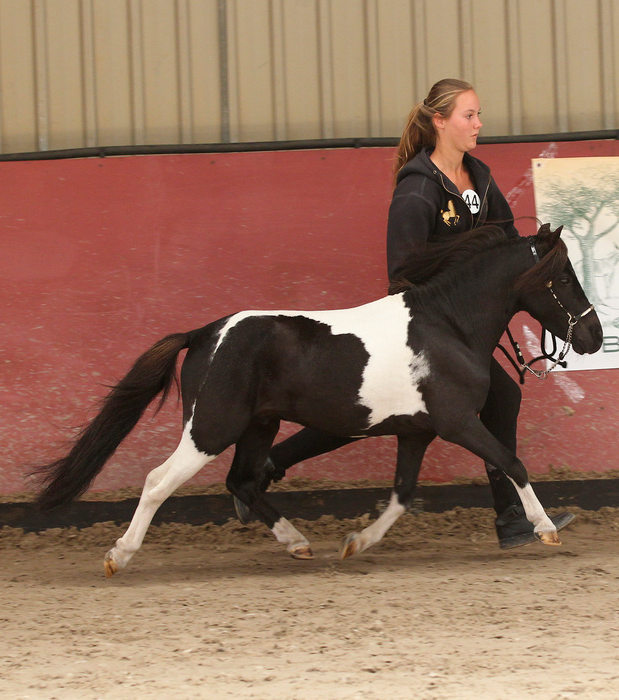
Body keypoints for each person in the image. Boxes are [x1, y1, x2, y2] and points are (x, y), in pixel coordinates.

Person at [235, 78, 575, 548]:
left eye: (478, 114)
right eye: (469, 115)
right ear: (440, 122)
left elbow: (507, 248)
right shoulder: (417, 190)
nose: (479, 123)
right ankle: (274, 462)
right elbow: (401, 273)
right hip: (416, 327)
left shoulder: (481, 178)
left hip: (456, 329)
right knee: (362, 412)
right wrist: (461, 291)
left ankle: (512, 519)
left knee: (499, 398)